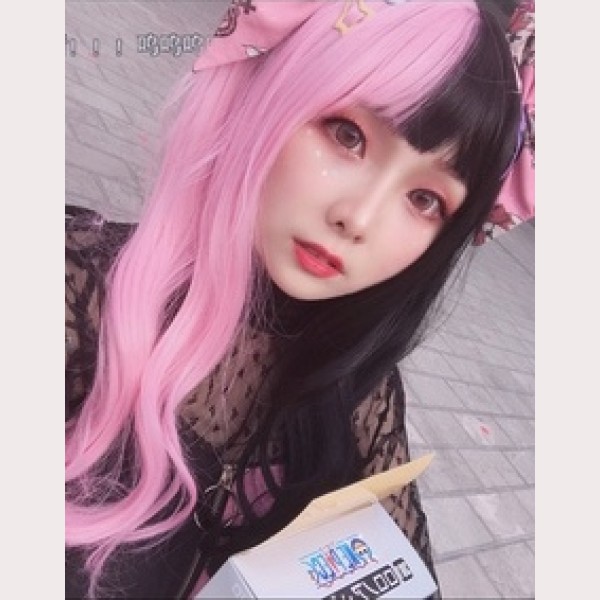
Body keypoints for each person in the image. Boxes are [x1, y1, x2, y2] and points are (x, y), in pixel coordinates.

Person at [65, 1, 524, 598]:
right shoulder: (78, 292)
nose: (358, 218)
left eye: (424, 200)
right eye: (348, 135)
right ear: (277, 90)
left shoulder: (359, 391)